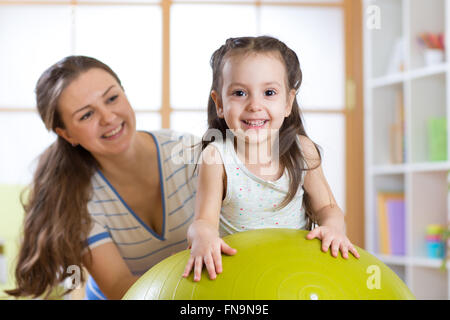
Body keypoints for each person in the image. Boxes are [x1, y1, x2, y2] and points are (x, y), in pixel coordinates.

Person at [5, 56, 199, 299]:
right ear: (66, 134)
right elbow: (118, 286)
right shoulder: (75, 198)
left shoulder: (191, 154)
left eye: (112, 98)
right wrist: (180, 270)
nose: (108, 118)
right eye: (86, 115)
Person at [182, 36, 360, 282]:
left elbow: (327, 207)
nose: (255, 105)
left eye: (269, 92)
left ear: (288, 102)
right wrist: (203, 236)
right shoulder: (216, 158)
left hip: (294, 271)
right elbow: (203, 221)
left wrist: (333, 228)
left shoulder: (302, 151)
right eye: (240, 92)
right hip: (237, 275)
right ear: (219, 103)